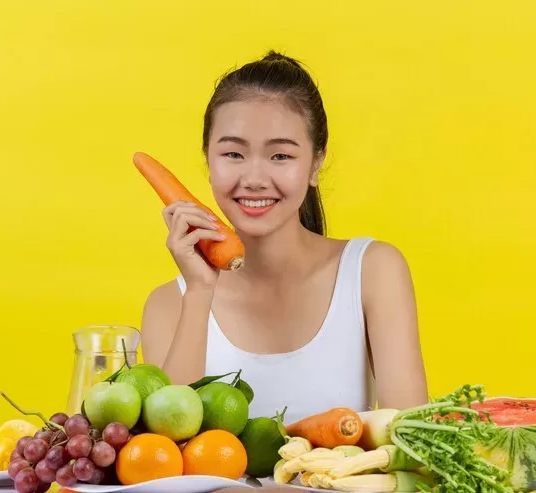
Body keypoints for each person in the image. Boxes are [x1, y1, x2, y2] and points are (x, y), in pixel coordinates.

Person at [140, 50, 428, 422]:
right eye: (233, 153)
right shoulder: (168, 304)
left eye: (280, 156)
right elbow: (165, 454)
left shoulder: (372, 271)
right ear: (208, 161)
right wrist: (199, 292)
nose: (255, 178)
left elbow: (410, 440)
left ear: (316, 163)